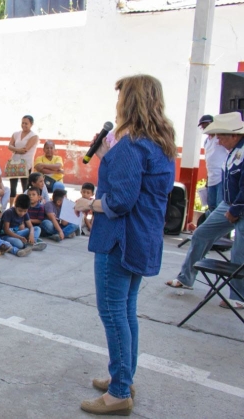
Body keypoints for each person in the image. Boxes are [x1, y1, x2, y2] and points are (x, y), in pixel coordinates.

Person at [74, 74, 176, 415]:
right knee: (126, 310)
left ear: (129, 101)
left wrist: (87, 204)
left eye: (120, 97)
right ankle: (124, 377)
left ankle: (119, 392)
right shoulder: (159, 142)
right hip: (142, 237)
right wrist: (107, 154)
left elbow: (119, 201)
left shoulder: (132, 144)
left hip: (120, 238)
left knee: (113, 313)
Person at [166, 112, 244, 309]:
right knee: (201, 234)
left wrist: (235, 210)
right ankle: (186, 278)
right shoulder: (233, 151)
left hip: (238, 206)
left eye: (221, 136)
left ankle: (238, 295)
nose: (217, 140)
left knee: (240, 251)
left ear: (234, 135)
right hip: (229, 203)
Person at [198, 114, 228, 213]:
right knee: (211, 205)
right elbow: (209, 161)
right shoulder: (206, 141)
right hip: (211, 177)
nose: (204, 128)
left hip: (221, 176)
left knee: (220, 205)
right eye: (202, 126)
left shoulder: (219, 138)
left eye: (205, 125)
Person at [7, 115, 39, 206]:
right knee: (13, 187)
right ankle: (11, 207)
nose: (24, 125)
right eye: (23, 123)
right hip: (14, 162)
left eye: (26, 123)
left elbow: (25, 149)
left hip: (26, 164)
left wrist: (14, 149)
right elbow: (9, 146)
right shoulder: (16, 134)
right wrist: (18, 150)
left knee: (25, 187)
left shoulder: (34, 136)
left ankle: (24, 206)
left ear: (31, 124)